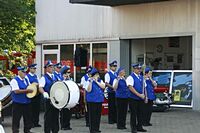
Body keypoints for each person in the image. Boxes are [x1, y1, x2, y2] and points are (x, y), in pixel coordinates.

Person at [10, 66, 33, 133]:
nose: (25, 73)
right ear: (19, 72)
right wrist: (27, 91)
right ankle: (15, 131)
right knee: (16, 118)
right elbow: (16, 91)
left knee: (27, 117)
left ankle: (27, 130)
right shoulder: (14, 80)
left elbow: (30, 86)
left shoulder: (26, 79)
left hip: (27, 102)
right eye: (23, 72)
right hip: (18, 103)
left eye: (25, 72)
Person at [39, 60, 59, 133]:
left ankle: (55, 130)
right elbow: (40, 87)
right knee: (48, 117)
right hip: (48, 99)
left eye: (52, 66)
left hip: (56, 99)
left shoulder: (55, 76)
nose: (52, 67)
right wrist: (44, 93)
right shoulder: (44, 78)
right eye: (50, 66)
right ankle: (47, 131)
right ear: (46, 68)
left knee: (55, 116)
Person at [126, 64, 147, 133]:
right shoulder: (130, 77)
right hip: (133, 98)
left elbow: (144, 88)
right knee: (133, 113)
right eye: (137, 69)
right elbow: (130, 87)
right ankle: (133, 128)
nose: (139, 70)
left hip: (141, 98)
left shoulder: (141, 77)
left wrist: (146, 97)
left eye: (140, 69)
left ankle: (139, 126)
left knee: (141, 113)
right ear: (134, 69)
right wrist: (139, 95)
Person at [85, 68, 105, 133]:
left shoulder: (100, 81)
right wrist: (91, 82)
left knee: (98, 116)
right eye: (96, 75)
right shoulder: (88, 81)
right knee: (92, 116)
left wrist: (96, 81)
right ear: (93, 75)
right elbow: (89, 90)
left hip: (99, 100)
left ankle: (97, 128)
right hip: (92, 101)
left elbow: (103, 86)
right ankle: (92, 129)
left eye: (98, 74)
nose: (98, 76)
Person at [25, 63, 41, 128]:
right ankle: (30, 123)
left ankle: (36, 122)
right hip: (31, 95)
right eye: (33, 68)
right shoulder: (27, 76)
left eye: (35, 69)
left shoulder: (36, 76)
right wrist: (33, 84)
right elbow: (28, 85)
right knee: (31, 110)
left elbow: (39, 83)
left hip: (37, 94)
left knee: (37, 109)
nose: (34, 70)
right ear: (30, 69)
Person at [59, 66, 73, 130]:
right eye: (68, 72)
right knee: (63, 112)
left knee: (68, 112)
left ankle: (67, 125)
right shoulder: (61, 79)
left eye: (69, 72)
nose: (69, 74)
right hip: (63, 97)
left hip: (69, 98)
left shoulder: (70, 79)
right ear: (64, 73)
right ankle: (63, 125)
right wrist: (64, 79)